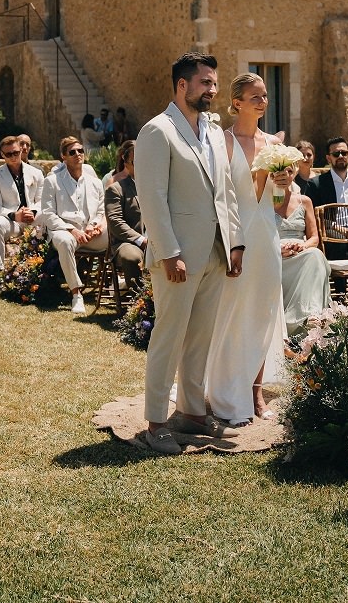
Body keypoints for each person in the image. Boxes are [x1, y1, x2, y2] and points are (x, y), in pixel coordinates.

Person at [135, 52, 243, 454]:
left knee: (200, 338)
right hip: (176, 257)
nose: (213, 91)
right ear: (182, 85)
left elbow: (226, 192)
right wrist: (169, 252)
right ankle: (156, 422)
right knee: (169, 337)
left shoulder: (214, 132)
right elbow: (152, 199)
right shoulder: (156, 131)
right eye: (205, 84)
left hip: (215, 253)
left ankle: (193, 413)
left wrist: (235, 243)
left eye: (214, 83)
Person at [205, 73, 284, 424]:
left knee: (264, 313)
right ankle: (222, 387)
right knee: (232, 312)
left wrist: (284, 183)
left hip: (266, 236)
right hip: (235, 236)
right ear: (237, 102)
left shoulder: (276, 144)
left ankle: (256, 392)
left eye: (265, 96)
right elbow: (223, 197)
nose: (263, 102)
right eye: (255, 96)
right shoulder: (223, 141)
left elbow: (280, 206)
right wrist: (230, 242)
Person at [40, 136, 108, 315]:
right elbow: (48, 215)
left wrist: (94, 226)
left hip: (90, 233)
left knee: (116, 232)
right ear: (63, 157)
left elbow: (101, 210)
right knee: (65, 242)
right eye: (72, 152)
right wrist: (73, 230)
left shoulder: (95, 182)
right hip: (65, 231)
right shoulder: (52, 181)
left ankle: (121, 280)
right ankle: (76, 294)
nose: (78, 154)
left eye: (80, 151)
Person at [269, 165, 331, 334]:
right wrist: (276, 249)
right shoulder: (262, 202)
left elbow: (314, 238)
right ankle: (292, 325)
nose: (285, 176)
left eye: (289, 171)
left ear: (294, 173)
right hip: (274, 254)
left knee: (316, 255)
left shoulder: (304, 201)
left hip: (301, 253)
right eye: (279, 172)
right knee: (314, 257)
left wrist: (302, 245)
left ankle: (312, 316)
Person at [0, 135, 45, 276]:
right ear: (2, 155)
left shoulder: (37, 173)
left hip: (34, 218)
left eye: (16, 153)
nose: (13, 157)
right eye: (9, 154)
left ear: (21, 151)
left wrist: (33, 212)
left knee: (52, 216)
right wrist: (14, 215)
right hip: (11, 220)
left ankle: (51, 266)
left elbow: (43, 201)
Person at [306, 136, 348, 258]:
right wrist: (338, 228)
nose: (341, 156)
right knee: (338, 241)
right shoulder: (316, 184)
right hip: (331, 232)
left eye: (344, 153)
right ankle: (339, 278)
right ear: (328, 158)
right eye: (336, 154)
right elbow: (312, 215)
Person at [104, 140, 145, 291]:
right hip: (129, 242)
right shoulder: (116, 189)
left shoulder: (159, 187)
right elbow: (115, 221)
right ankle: (141, 304)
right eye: (136, 161)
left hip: (159, 239)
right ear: (126, 164)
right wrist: (141, 240)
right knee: (132, 257)